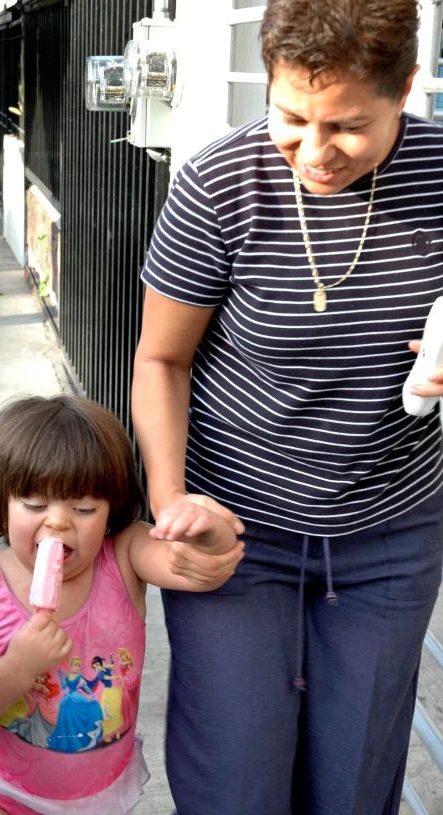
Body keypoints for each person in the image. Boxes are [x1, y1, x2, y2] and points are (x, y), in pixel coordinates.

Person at [131, 1, 443, 813]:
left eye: (348, 126)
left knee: (351, 785)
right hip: (234, 527)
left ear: (407, 88)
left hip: (392, 527)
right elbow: (162, 359)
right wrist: (171, 507)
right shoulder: (219, 182)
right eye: (292, 116)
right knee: (236, 782)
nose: (315, 151)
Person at [0, 395, 244, 815]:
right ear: (2, 503)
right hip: (3, 795)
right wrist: (16, 668)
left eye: (83, 507)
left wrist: (209, 534)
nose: (60, 521)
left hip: (100, 796)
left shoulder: (124, 556)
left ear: (111, 509)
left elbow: (196, 566)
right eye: (34, 504)